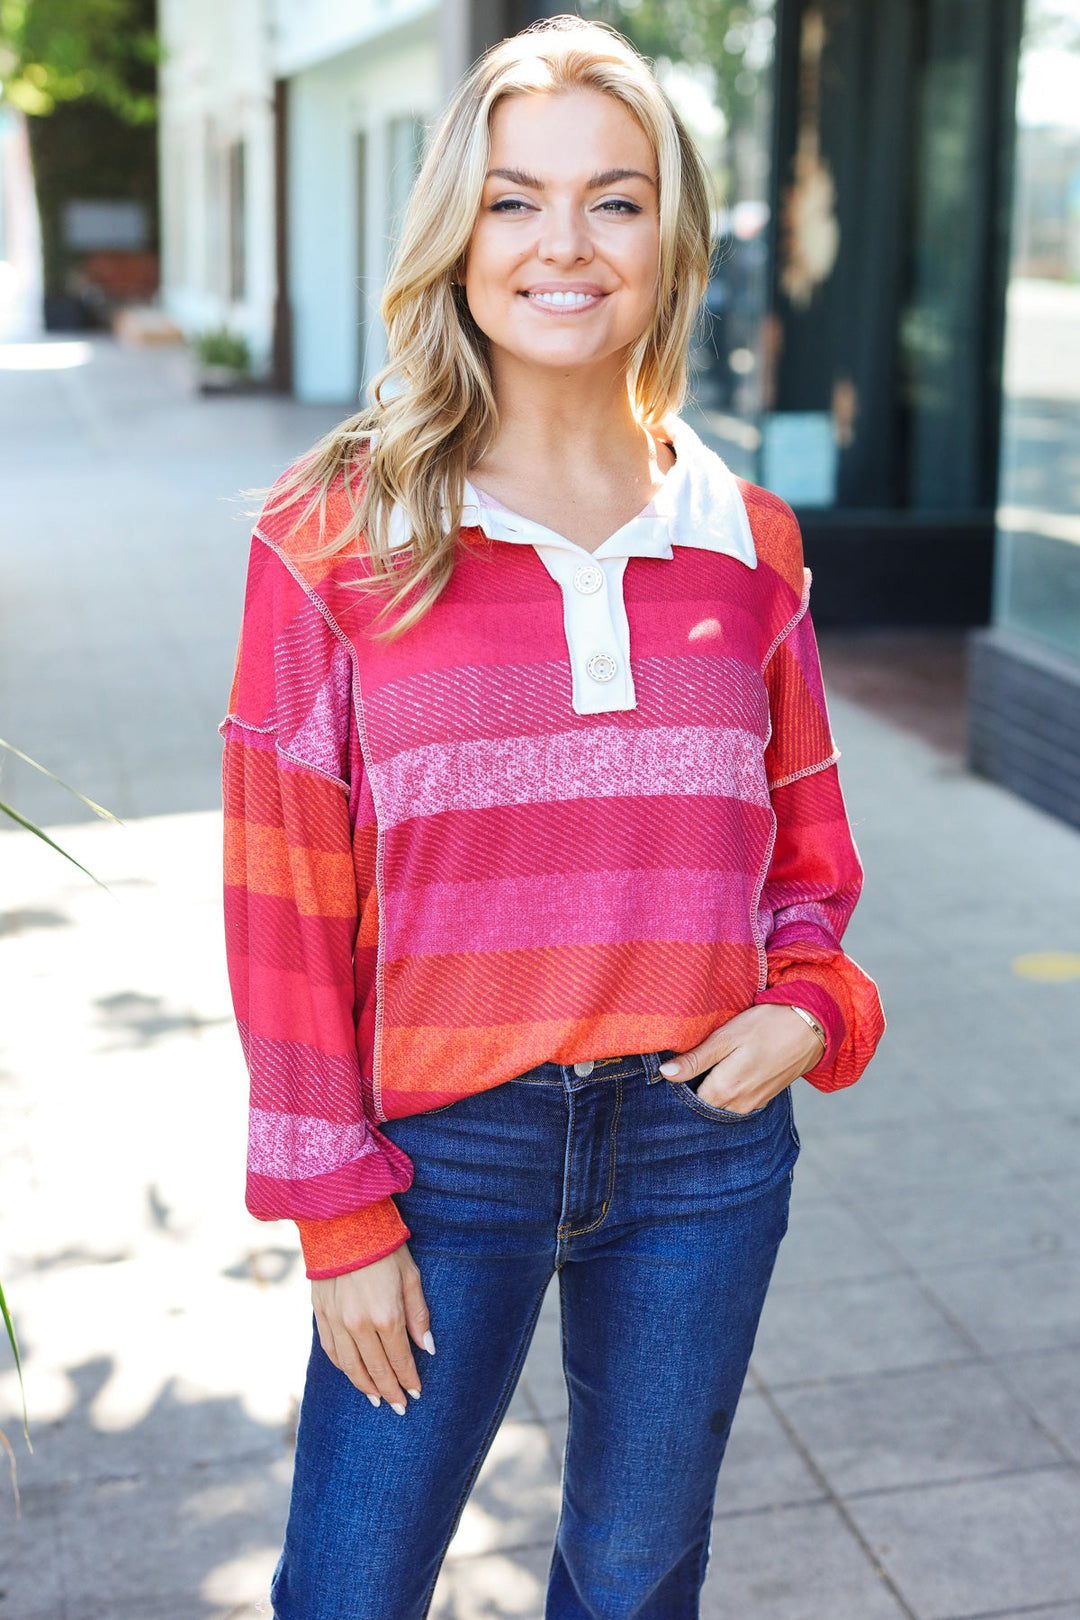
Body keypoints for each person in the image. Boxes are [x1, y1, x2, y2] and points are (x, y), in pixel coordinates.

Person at [220, 16, 885, 1619]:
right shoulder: (335, 531)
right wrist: (331, 1208)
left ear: (673, 238)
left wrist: (814, 1005)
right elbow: (281, 903)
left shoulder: (748, 541)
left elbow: (807, 851)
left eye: (616, 198)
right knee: (350, 1589)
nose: (564, 247)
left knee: (640, 1575)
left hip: (701, 1147)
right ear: (459, 236)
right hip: (439, 1154)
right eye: (516, 200)